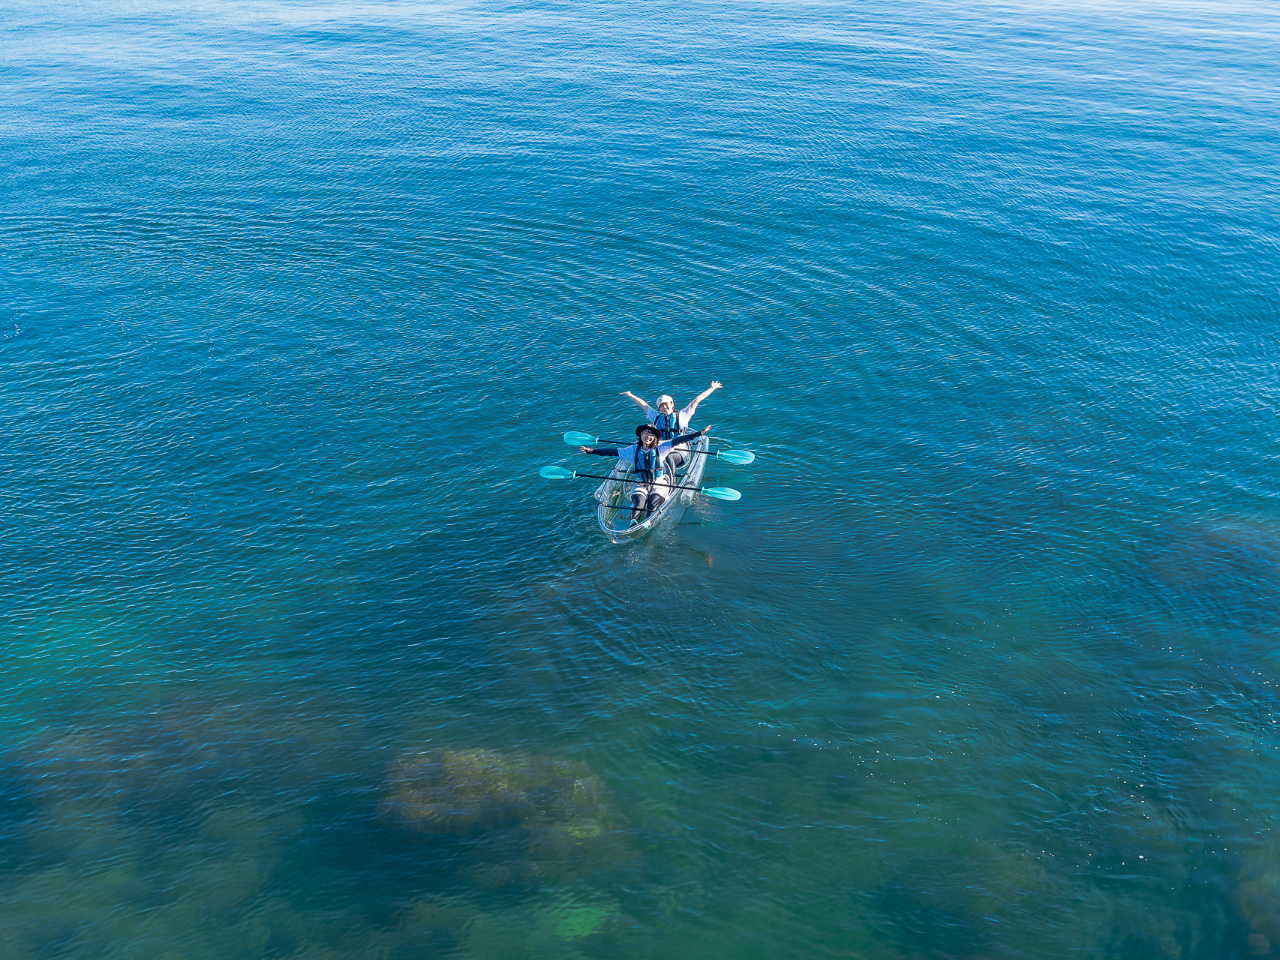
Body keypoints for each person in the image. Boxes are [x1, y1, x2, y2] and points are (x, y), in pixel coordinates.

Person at [580, 422, 712, 524]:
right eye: (645, 433)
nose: (648, 435)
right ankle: (633, 523)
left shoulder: (663, 446)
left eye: (651, 433)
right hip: (640, 483)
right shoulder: (632, 450)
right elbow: (611, 452)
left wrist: (698, 434)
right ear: (640, 435)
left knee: (653, 501)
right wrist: (592, 451)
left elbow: (680, 440)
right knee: (638, 503)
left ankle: (649, 521)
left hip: (659, 483)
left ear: (655, 437)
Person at [620, 381, 721, 471]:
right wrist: (630, 395)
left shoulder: (683, 415)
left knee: (667, 457)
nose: (664, 407)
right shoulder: (655, 416)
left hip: (679, 452)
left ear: (672, 404)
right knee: (649, 456)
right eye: (661, 406)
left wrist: (712, 388)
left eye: (666, 404)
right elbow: (643, 405)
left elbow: (697, 400)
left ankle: (671, 483)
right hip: (661, 448)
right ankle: (648, 479)